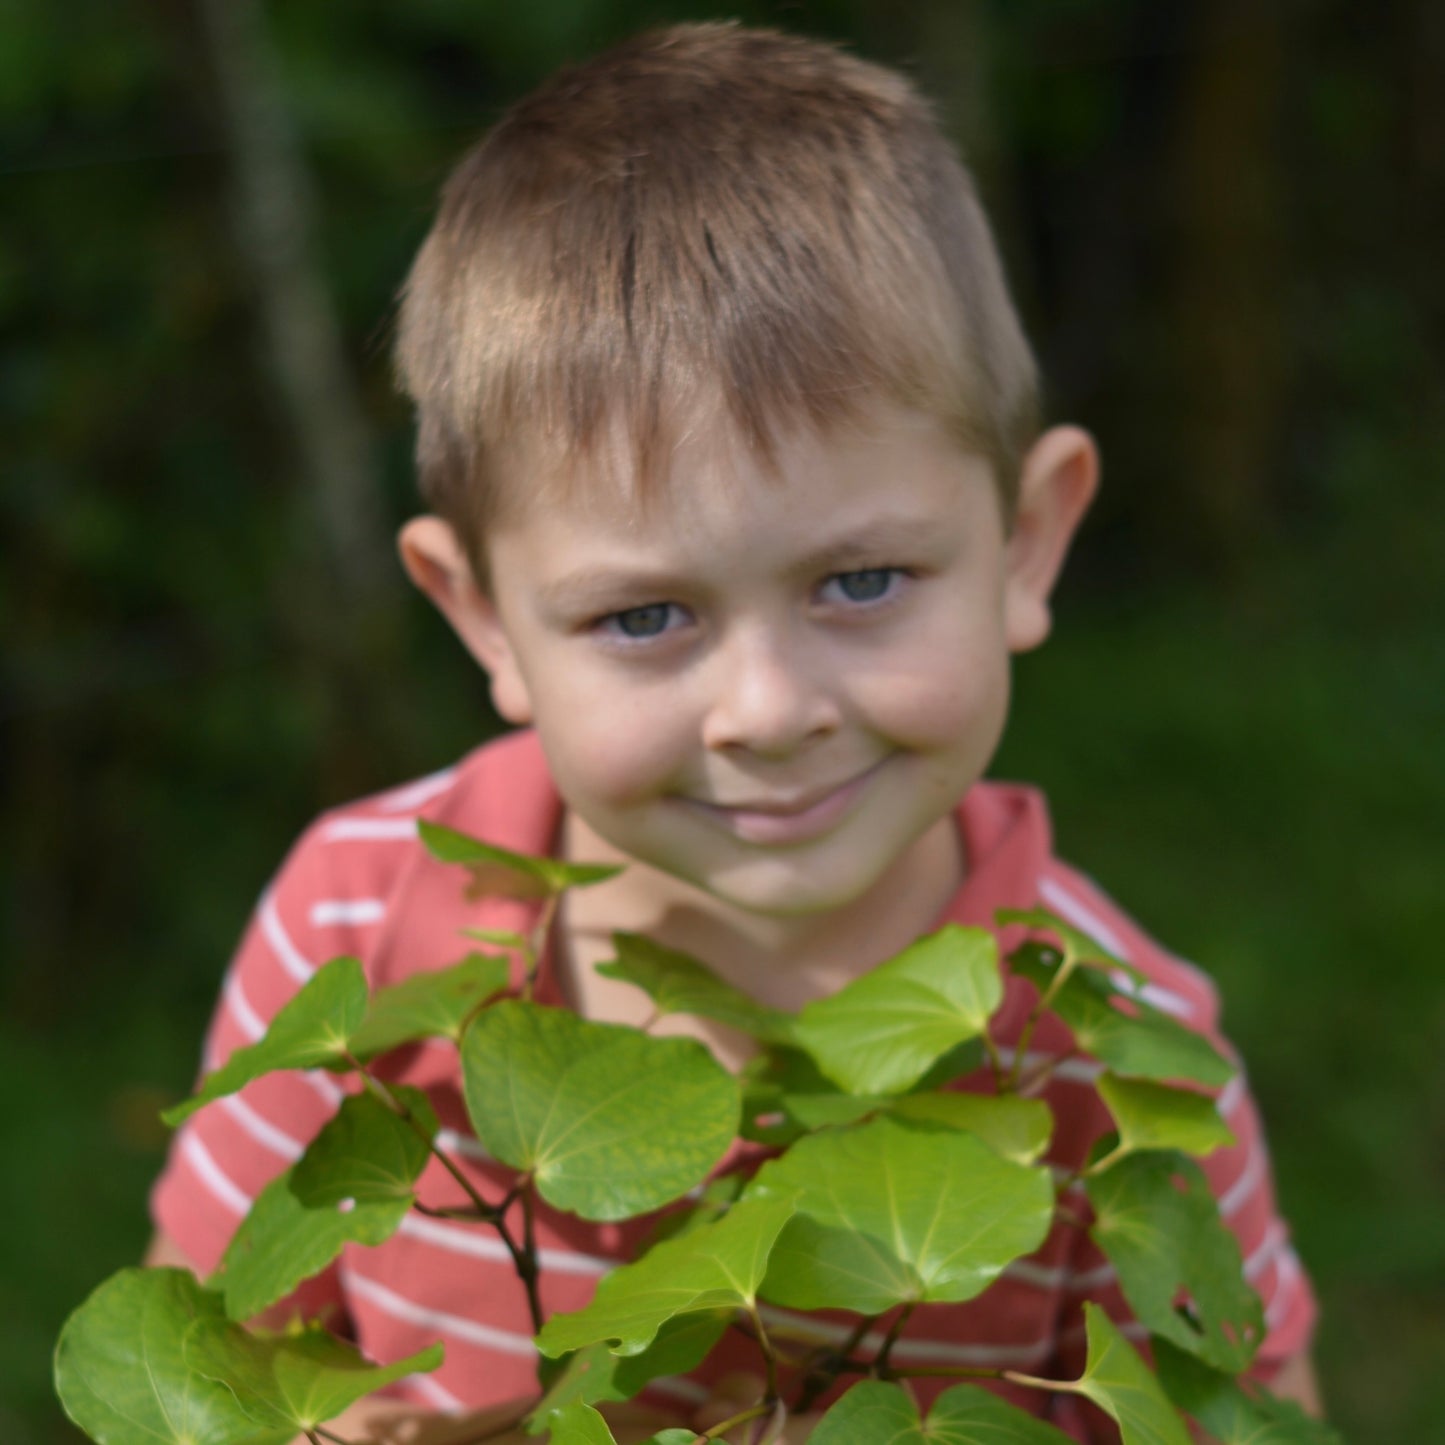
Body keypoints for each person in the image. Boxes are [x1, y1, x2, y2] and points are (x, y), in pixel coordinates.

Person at [144, 23, 1322, 1443]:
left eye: (861, 581)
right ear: (482, 623)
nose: (767, 713)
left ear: (1024, 540)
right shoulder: (355, 915)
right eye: (644, 616)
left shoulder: (1113, 1065)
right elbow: (202, 1366)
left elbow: (1256, 1415)